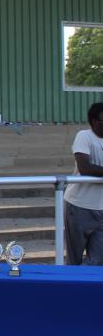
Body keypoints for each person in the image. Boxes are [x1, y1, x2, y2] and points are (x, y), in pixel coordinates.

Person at [64, 102, 103, 265]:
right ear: (94, 122)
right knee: (74, 259)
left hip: (101, 208)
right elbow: (85, 167)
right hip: (79, 206)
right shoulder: (84, 136)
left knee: (98, 260)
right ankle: (71, 281)